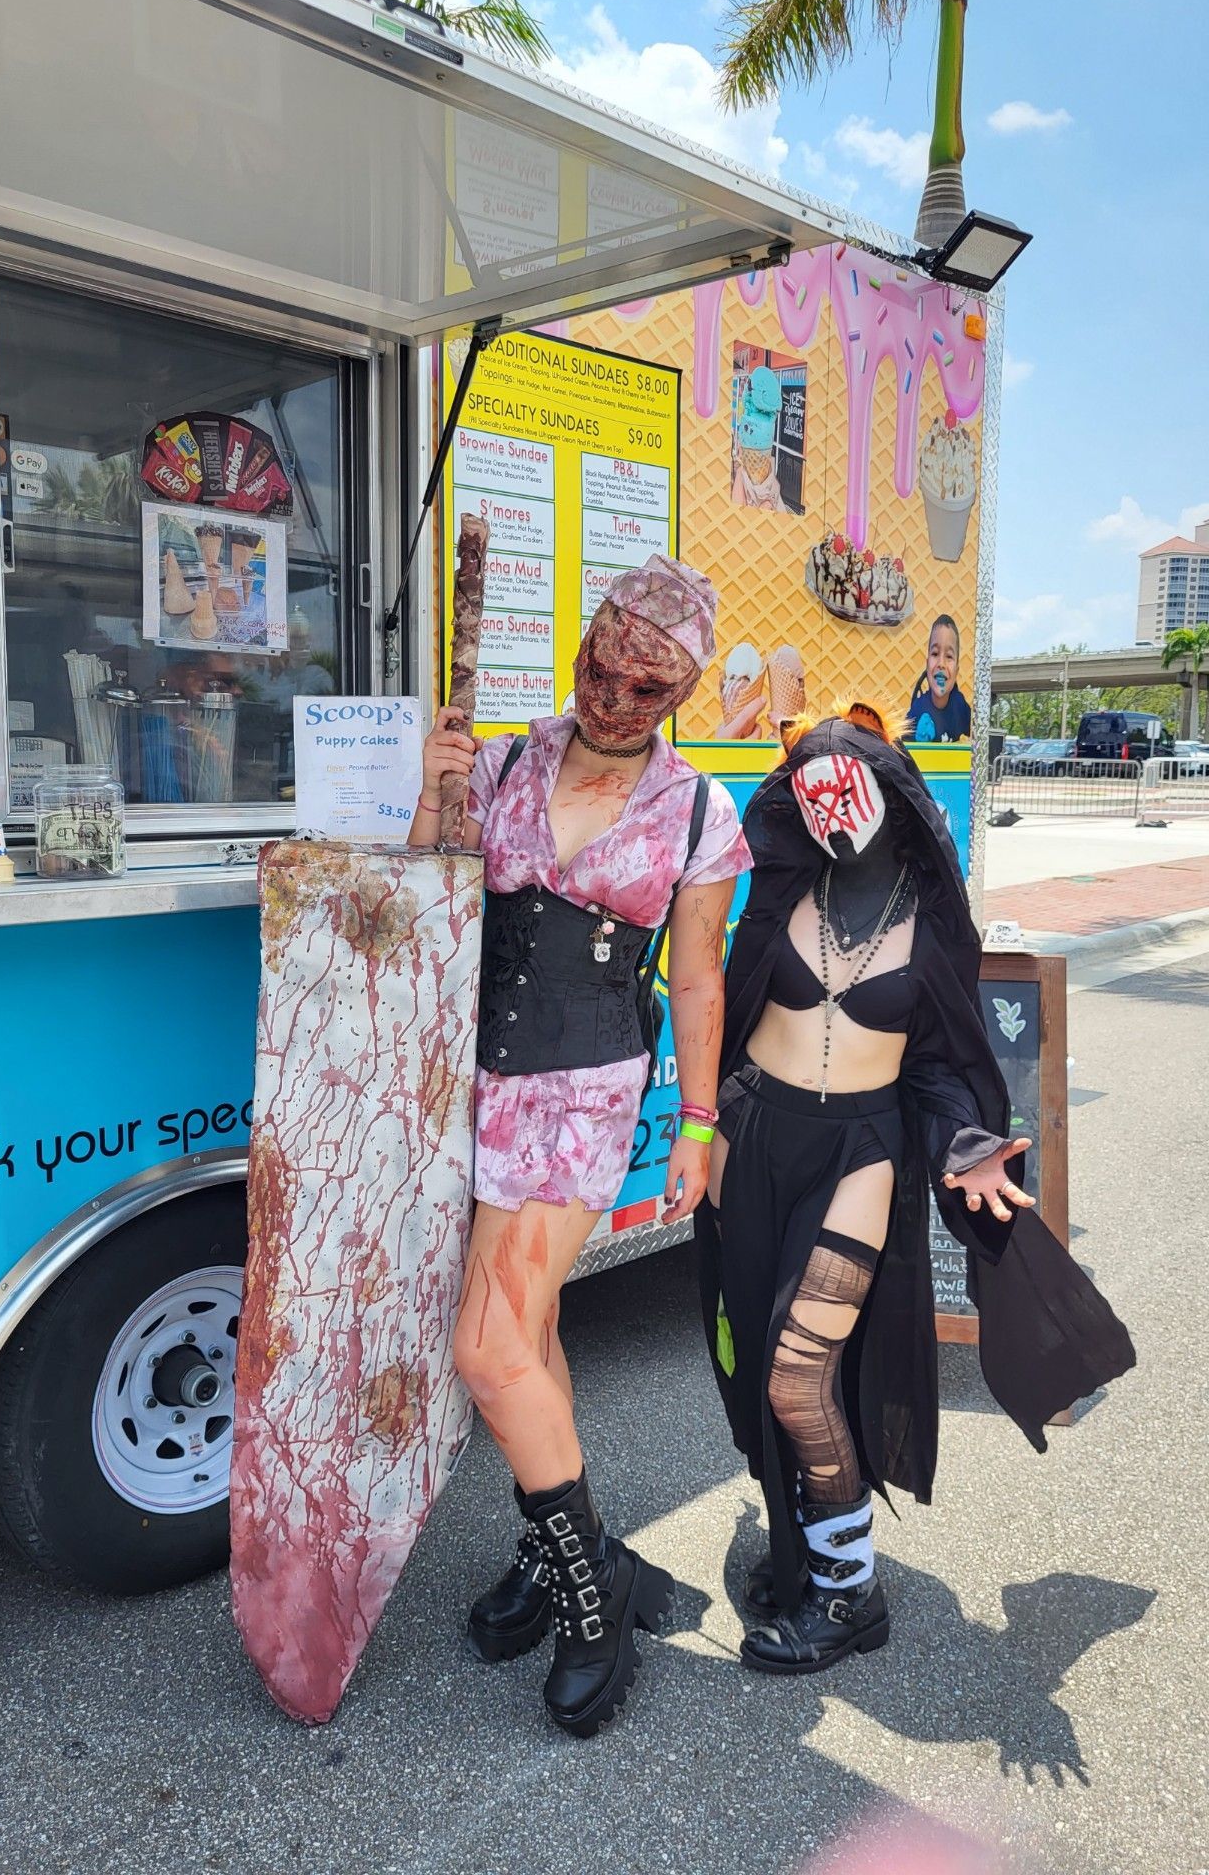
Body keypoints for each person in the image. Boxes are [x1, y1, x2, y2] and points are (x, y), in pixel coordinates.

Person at [693, 700, 1134, 1675]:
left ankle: (850, 1594)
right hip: (757, 1139)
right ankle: (799, 1549)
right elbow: (731, 1004)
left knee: (799, 1372)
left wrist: (971, 1143)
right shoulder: (780, 891)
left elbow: (943, 1061)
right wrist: (715, 1121)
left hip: (861, 1155)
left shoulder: (928, 923)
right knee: (753, 1363)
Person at [412, 557, 751, 1737]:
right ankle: (570, 1549)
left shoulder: (701, 814)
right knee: (536, 1338)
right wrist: (432, 794)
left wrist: (697, 1125)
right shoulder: (503, 757)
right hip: (480, 1082)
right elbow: (432, 900)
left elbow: (701, 981)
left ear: (682, 695)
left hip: (585, 1090)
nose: (610, 700)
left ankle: (590, 1601)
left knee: (488, 1346)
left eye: (641, 689)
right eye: (597, 669)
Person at [907, 614, 971, 744]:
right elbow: (903, 749)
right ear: (927, 664)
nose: (941, 663)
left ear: (956, 671)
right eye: (935, 654)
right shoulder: (918, 708)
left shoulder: (960, 705)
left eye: (949, 656)